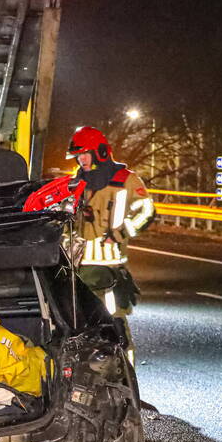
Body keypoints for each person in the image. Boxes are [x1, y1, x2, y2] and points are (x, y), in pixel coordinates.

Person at [66, 125, 155, 328]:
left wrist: (119, 233)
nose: (82, 160)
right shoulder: (76, 182)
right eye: (78, 156)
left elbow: (147, 211)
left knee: (114, 325)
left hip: (109, 266)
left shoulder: (126, 180)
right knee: (79, 323)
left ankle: (125, 359)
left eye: (85, 155)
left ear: (100, 152)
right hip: (78, 267)